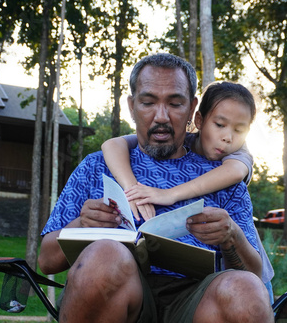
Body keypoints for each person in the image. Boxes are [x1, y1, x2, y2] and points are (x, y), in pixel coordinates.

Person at [38, 53, 273, 323]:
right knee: (105, 255)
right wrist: (82, 224)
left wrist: (232, 237)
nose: (161, 117)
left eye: (174, 104)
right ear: (132, 106)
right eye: (148, 103)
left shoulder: (223, 177)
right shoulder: (98, 166)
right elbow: (47, 261)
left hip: (198, 302)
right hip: (120, 292)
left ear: (192, 110)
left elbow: (254, 276)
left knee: (245, 290)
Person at [101, 81, 275, 302]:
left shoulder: (238, 154)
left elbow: (235, 172)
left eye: (239, 130)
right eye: (220, 125)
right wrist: (131, 188)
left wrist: (169, 194)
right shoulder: (181, 141)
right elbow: (112, 145)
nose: (228, 137)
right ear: (200, 120)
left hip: (252, 277)